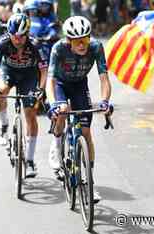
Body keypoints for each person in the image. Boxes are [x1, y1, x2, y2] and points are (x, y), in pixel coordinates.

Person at [46, 16, 112, 202]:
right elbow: (50, 81)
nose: (82, 45)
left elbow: (104, 78)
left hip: (80, 85)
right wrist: (53, 104)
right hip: (60, 84)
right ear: (68, 40)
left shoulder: (96, 47)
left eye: (85, 39)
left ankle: (89, 182)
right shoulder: (58, 48)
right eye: (77, 41)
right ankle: (57, 144)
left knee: (86, 132)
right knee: (63, 109)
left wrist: (105, 101)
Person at [0, 13, 48, 177]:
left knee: (30, 114)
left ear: (27, 34)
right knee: (1, 92)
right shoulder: (3, 42)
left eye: (20, 37)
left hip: (29, 76)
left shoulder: (35, 45)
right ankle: (3, 125)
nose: (16, 40)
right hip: (9, 71)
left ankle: (29, 160)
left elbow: (44, 70)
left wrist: (41, 89)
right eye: (13, 36)